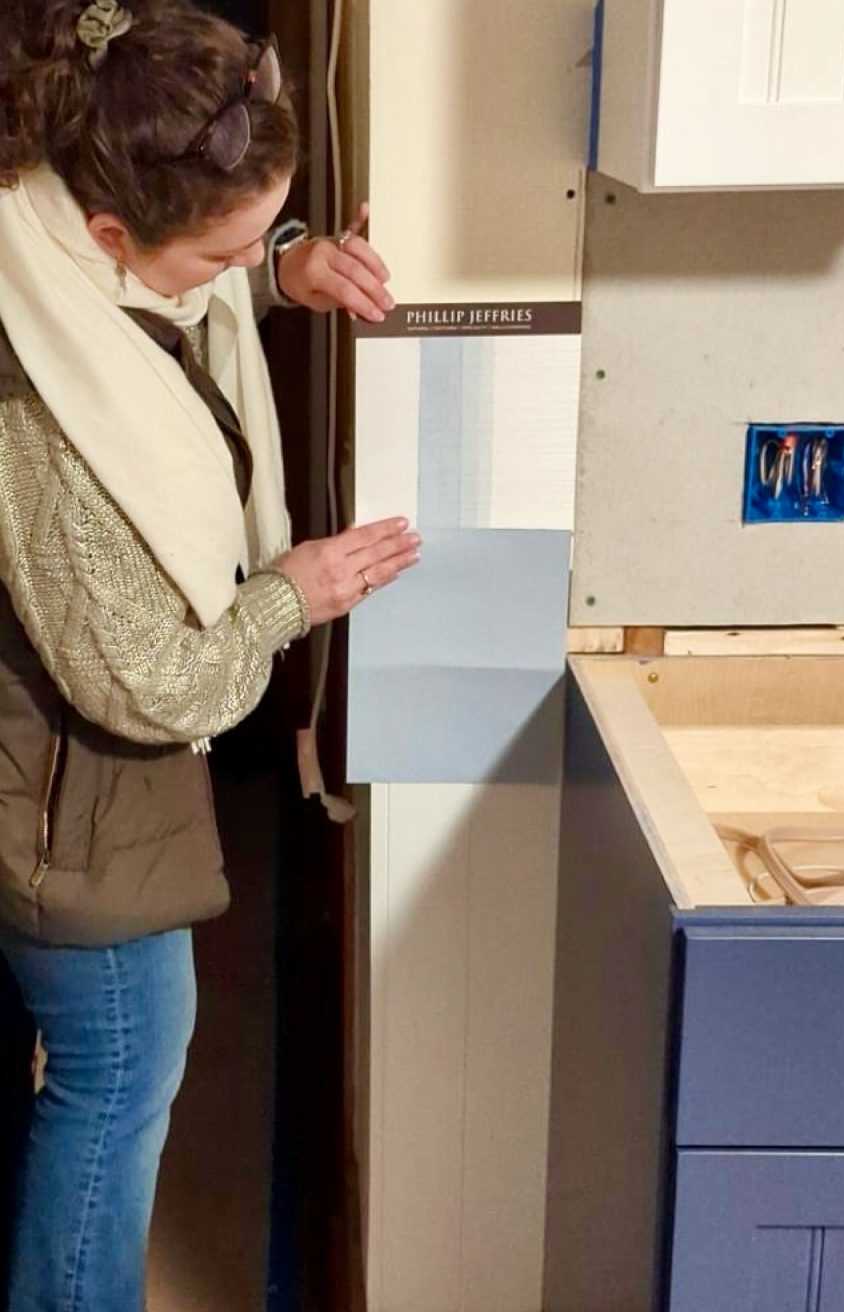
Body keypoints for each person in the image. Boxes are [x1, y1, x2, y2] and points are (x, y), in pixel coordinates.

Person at [0, 2, 420, 1308]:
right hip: (68, 789)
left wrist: (279, 266)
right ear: (116, 237)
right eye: (230, 251)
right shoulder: (39, 412)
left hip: (78, 766)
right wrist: (289, 596)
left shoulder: (61, 226)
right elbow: (153, 682)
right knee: (119, 1071)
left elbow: (191, 273)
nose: (258, 266)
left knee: (121, 1067)